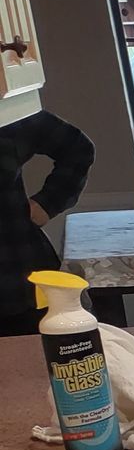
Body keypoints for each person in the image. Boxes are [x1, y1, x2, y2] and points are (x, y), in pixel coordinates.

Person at [0, 108, 96, 336]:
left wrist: (48, 203)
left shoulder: (9, 110)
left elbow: (77, 148)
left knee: (53, 360)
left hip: (16, 282)